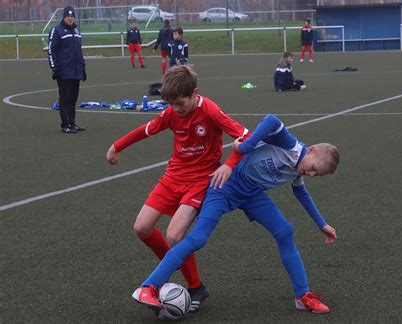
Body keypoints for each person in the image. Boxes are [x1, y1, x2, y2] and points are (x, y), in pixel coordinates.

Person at [131, 114, 340, 315]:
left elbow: (301, 192)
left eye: (316, 174)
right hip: (224, 186)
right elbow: (272, 120)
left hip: (251, 194)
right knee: (198, 238)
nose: (310, 174)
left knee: (285, 231)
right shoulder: (291, 147)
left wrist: (321, 224)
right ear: (310, 151)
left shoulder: (299, 169)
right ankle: (148, 287)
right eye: (313, 168)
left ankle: (303, 295)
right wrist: (247, 146)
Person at [106, 65, 249, 312]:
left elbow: (246, 136)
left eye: (181, 103)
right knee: (141, 228)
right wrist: (117, 146)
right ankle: (174, 263)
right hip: (172, 178)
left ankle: (196, 287)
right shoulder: (172, 113)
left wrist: (229, 164)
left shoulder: (211, 110)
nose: (176, 109)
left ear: (195, 93)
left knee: (174, 236)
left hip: (200, 181)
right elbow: (147, 130)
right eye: (171, 104)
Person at [47, 5, 86, 134]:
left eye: (72, 16)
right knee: (65, 98)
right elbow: (51, 51)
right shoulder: (56, 31)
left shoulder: (76, 31)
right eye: (68, 16)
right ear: (63, 17)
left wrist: (83, 68)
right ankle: (66, 124)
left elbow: (79, 52)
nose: (70, 19)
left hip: (76, 72)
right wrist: (55, 68)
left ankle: (72, 122)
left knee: (73, 99)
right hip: (64, 72)